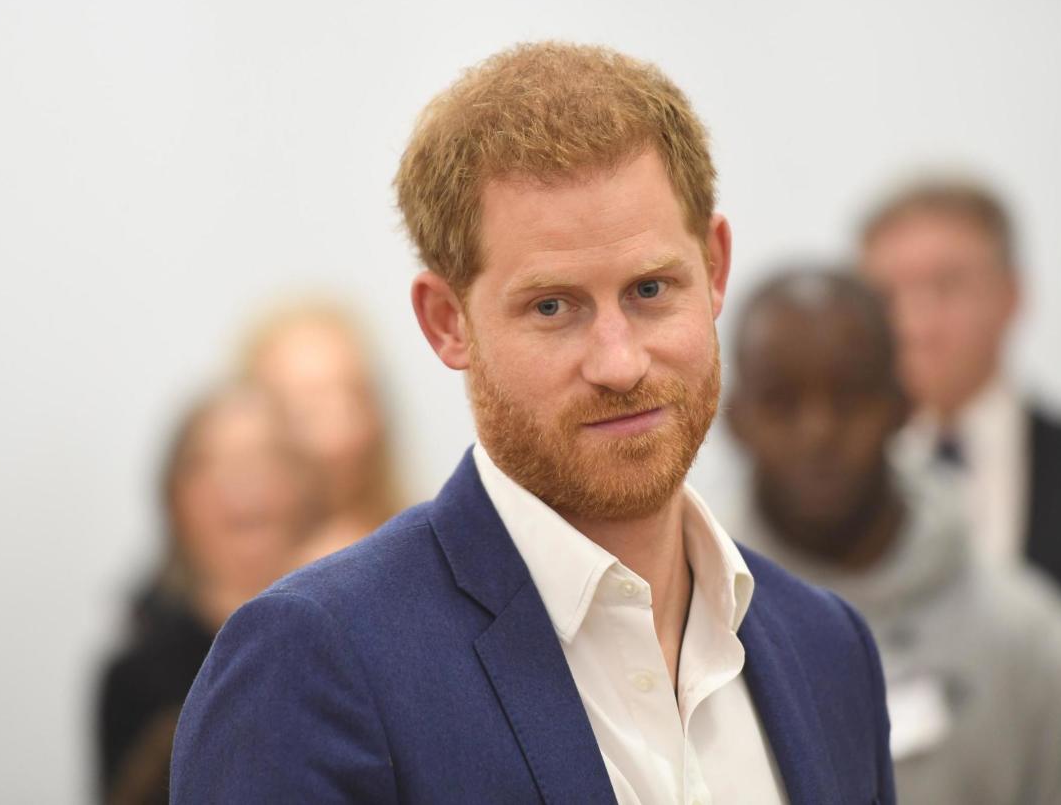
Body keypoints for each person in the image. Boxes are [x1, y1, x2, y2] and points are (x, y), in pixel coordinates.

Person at [170, 42, 895, 804]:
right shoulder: (315, 664)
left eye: (651, 289)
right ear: (448, 321)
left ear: (714, 269)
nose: (619, 362)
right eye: (553, 307)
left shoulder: (829, 650)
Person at [727, 267, 1061, 804]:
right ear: (736, 418)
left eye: (850, 398)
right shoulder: (684, 629)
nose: (819, 432)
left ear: (903, 407)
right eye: (782, 402)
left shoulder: (1033, 645)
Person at [858, 177, 1061, 792]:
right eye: (888, 294)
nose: (915, 321)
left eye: (946, 286)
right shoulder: (820, 505)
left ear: (1012, 295)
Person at [97, 385, 315, 804]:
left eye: (265, 458)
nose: (242, 482)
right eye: (212, 464)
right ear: (175, 497)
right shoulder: (135, 675)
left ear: (305, 488)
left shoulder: (358, 634)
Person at [240, 300, 405, 565]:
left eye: (356, 399)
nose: (341, 436)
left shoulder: (426, 552)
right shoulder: (196, 593)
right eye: (306, 411)